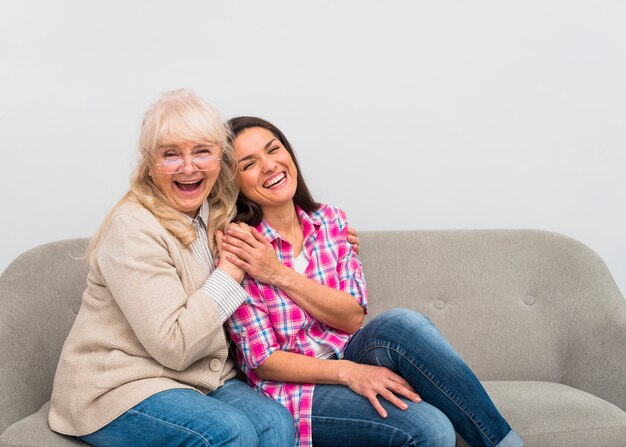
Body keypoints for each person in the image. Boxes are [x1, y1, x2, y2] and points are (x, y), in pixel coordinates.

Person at [221, 116, 525, 447]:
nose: (269, 166)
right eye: (249, 163)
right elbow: (265, 362)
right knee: (432, 427)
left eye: (273, 150)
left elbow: (351, 318)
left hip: (348, 351)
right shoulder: (240, 245)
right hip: (295, 387)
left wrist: (278, 273)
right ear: (233, 182)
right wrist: (349, 373)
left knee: (402, 323)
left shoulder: (330, 221)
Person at [48, 90, 295, 447]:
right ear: (149, 163)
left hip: (199, 379)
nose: (188, 166)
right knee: (229, 431)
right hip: (121, 387)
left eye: (201, 151)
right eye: (170, 155)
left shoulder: (215, 214)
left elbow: (281, 234)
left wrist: (338, 238)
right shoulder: (133, 227)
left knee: (275, 423)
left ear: (219, 159)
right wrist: (228, 272)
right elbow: (174, 346)